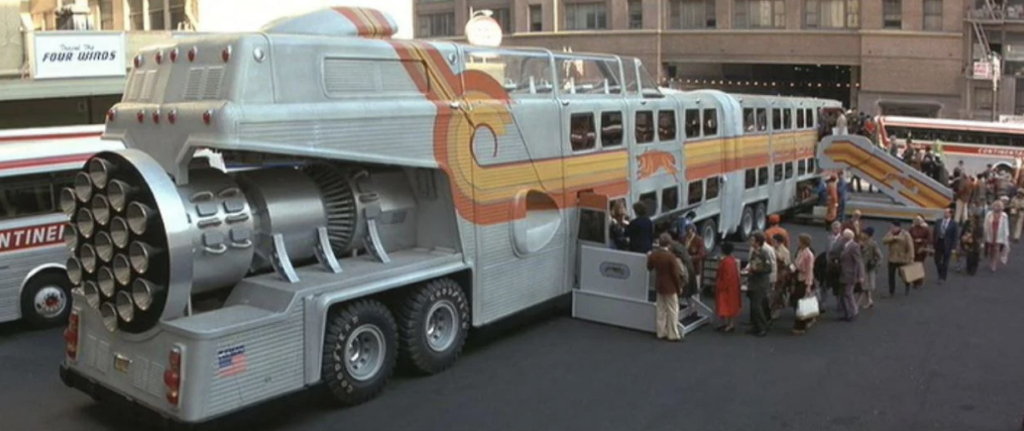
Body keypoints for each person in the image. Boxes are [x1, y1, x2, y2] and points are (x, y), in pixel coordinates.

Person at [647, 234, 682, 341]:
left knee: (660, 309)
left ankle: (661, 332)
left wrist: (649, 257)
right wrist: (679, 286)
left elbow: (649, 267)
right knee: (672, 310)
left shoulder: (654, 255)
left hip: (659, 285)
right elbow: (675, 274)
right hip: (670, 286)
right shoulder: (671, 257)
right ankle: (673, 334)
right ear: (669, 243)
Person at [744, 232, 773, 337]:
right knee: (753, 306)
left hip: (760, 284)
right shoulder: (754, 252)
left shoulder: (763, 253)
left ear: (758, 242)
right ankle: (756, 326)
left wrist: (756, 270)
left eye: (752, 240)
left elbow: (769, 268)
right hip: (753, 281)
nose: (750, 242)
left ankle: (762, 327)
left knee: (757, 306)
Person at [714, 242, 741, 333]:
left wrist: (720, 286)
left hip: (727, 288)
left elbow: (726, 277)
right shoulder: (731, 260)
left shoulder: (726, 262)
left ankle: (729, 324)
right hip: (731, 287)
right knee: (729, 306)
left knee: (727, 306)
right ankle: (728, 323)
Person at [670, 232, 698, 319]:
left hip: (684, 271)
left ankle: (676, 314)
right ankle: (692, 310)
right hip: (690, 270)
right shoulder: (680, 246)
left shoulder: (673, 246)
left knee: (678, 292)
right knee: (688, 294)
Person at [883, 220, 915, 297]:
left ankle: (907, 284)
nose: (891, 228)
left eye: (892, 227)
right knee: (891, 275)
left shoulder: (905, 234)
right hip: (892, 258)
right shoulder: (890, 233)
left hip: (902, 258)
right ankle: (891, 291)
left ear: (897, 227)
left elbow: (910, 246)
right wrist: (893, 238)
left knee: (902, 274)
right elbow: (884, 240)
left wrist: (911, 257)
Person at [792, 234, 816, 335]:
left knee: (800, 303)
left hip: (804, 280)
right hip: (798, 278)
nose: (798, 242)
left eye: (799, 241)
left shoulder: (809, 254)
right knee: (796, 301)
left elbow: (810, 270)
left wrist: (808, 285)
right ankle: (808, 319)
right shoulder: (801, 251)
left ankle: (801, 326)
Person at [839, 229, 864, 322]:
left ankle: (853, 312)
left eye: (843, 235)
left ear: (847, 237)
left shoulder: (854, 246)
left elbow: (859, 261)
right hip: (843, 273)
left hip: (850, 274)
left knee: (848, 293)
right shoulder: (844, 245)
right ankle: (847, 313)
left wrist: (861, 275)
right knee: (842, 294)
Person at [983, 200, 1010, 273]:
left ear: (1001, 207)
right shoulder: (989, 214)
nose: (996, 207)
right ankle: (991, 260)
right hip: (990, 233)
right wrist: (985, 233)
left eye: (998, 206)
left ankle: (994, 264)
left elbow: (1006, 226)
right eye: (995, 206)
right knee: (991, 250)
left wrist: (1006, 235)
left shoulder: (1004, 216)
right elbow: (985, 224)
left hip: (999, 234)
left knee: (996, 249)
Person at [858, 227, 881, 309]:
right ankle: (869, 300)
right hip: (860, 267)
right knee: (864, 286)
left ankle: (858, 303)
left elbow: (879, 256)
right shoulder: (860, 242)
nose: (862, 234)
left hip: (868, 267)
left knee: (865, 286)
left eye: (863, 233)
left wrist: (874, 264)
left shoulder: (872, 244)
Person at [933, 208, 958, 284]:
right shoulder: (938, 222)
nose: (945, 214)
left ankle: (942, 277)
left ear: (950, 214)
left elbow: (955, 236)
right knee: (937, 260)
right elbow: (934, 233)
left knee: (945, 261)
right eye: (944, 212)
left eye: (947, 213)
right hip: (939, 242)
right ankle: (940, 271)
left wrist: (954, 247)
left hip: (947, 244)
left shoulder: (953, 224)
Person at [770, 233, 792, 320]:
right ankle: (772, 309)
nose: (772, 243)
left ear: (779, 242)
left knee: (778, 293)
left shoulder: (785, 251)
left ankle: (776, 310)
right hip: (773, 272)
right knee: (773, 293)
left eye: (774, 241)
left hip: (780, 275)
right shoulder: (772, 249)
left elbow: (787, 264)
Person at [825, 221, 845, 311]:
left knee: (838, 287)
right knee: (825, 285)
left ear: (840, 229)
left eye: (837, 228)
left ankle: (839, 304)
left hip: (838, 266)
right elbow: (827, 251)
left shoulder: (843, 239)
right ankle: (822, 303)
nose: (835, 230)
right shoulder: (829, 238)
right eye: (834, 228)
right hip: (829, 264)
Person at [909, 215, 932, 289]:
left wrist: (922, 240)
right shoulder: (912, 228)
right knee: (913, 264)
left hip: (922, 249)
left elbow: (929, 239)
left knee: (919, 264)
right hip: (913, 248)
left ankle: (919, 281)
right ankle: (914, 281)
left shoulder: (926, 229)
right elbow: (908, 237)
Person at [683, 223, 707, 295]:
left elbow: (701, 254)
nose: (688, 233)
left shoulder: (698, 240)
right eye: (686, 231)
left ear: (693, 231)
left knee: (695, 288)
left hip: (695, 268)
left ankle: (696, 301)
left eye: (689, 231)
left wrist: (691, 258)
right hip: (685, 268)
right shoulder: (683, 238)